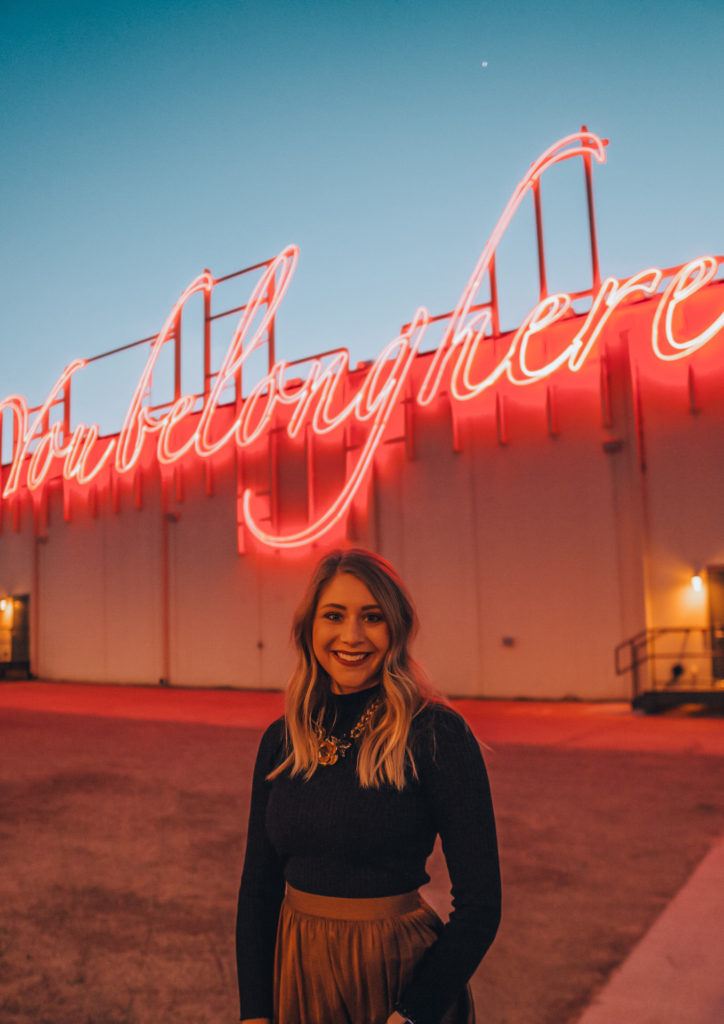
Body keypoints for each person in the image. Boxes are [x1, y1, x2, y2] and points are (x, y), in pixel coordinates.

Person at [235, 547, 502, 1024]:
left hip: (395, 977)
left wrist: (413, 1013)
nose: (351, 636)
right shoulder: (282, 739)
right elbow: (258, 888)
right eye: (333, 615)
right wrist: (254, 1011)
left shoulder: (435, 733)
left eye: (372, 617)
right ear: (309, 629)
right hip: (298, 974)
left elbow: (481, 904)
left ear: (396, 628)